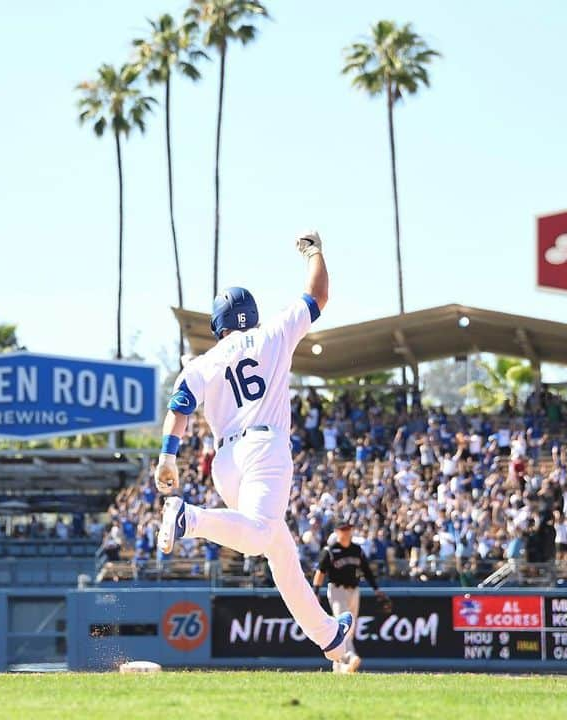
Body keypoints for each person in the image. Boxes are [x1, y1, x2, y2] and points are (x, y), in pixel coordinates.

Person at [154, 231, 353, 663]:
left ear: (218, 326)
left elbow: (180, 409)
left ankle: (330, 640)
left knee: (279, 549)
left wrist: (168, 455)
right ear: (252, 315)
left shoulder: (202, 362)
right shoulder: (274, 333)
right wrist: (313, 250)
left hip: (225, 461)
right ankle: (189, 518)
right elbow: (319, 292)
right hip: (265, 446)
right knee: (260, 536)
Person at [312, 516, 391, 673]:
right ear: (337, 532)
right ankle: (350, 656)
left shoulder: (357, 550)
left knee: (352, 627)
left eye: (348, 529)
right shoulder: (330, 551)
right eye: (343, 530)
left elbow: (367, 571)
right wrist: (315, 592)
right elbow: (320, 572)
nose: (346, 532)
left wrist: (376, 589)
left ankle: (339, 663)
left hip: (354, 590)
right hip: (337, 590)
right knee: (344, 622)